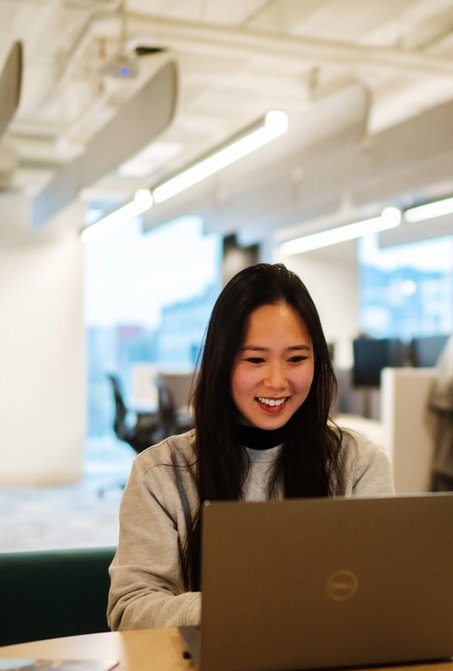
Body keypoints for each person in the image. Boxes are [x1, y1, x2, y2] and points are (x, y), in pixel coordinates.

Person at [107, 263, 394, 630]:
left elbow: (381, 594)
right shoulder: (160, 473)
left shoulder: (357, 463)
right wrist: (244, 606)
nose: (277, 381)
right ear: (222, 362)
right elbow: (130, 611)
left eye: (296, 359)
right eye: (255, 359)